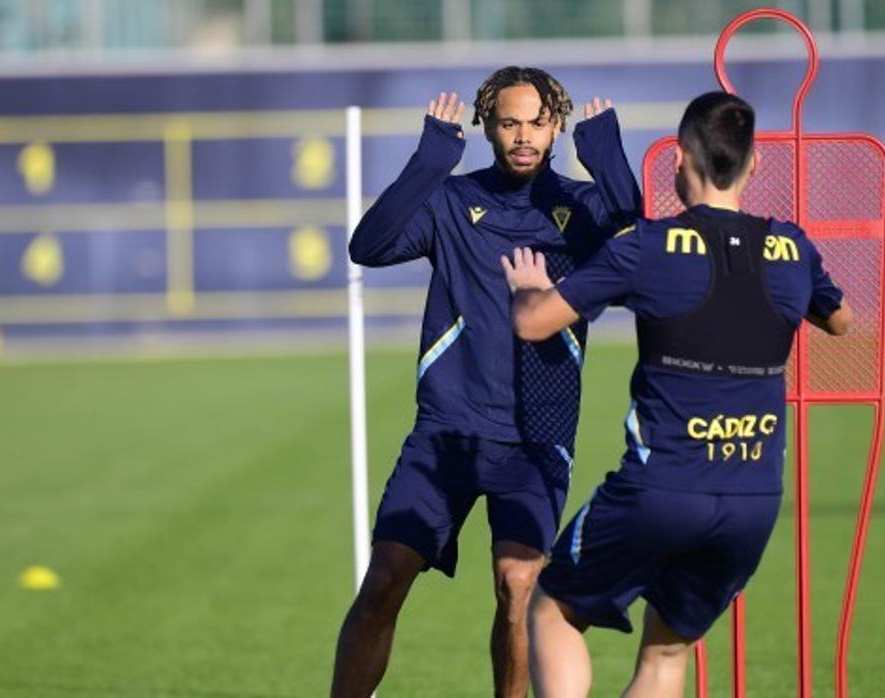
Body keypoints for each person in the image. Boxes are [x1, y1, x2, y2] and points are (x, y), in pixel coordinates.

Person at [501, 91, 852, 698]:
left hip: (660, 490)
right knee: (666, 652)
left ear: (681, 158)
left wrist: (528, 288)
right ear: (753, 164)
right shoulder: (792, 250)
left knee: (554, 608)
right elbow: (842, 321)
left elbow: (533, 323)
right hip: (752, 500)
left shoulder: (649, 245)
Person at [330, 66, 640, 698]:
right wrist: (428, 162)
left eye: (537, 122)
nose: (523, 136)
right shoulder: (449, 200)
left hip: (535, 439)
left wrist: (610, 165)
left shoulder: (584, 210)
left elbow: (641, 260)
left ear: (556, 127)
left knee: (518, 585)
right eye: (509, 123)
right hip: (445, 433)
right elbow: (369, 245)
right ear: (486, 128)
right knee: (385, 577)